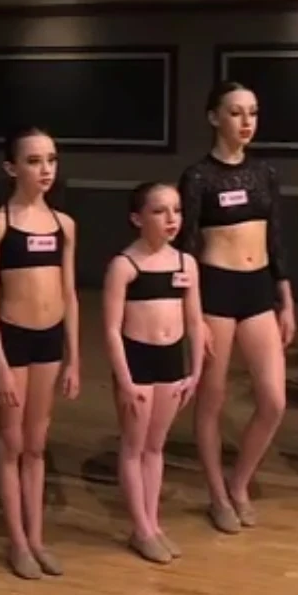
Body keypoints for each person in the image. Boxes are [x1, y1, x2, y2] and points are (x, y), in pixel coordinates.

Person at [178, 80, 295, 534]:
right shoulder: (198, 177)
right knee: (212, 398)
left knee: (274, 399)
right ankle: (216, 493)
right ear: (214, 117)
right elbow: (186, 249)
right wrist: (193, 316)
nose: (246, 122)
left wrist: (285, 297)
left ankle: (239, 482)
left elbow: (277, 236)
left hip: (258, 288)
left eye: (253, 112)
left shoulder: (265, 172)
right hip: (216, 290)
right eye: (235, 112)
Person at [0, 127, 81, 579]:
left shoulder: (64, 225)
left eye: (51, 160)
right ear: (11, 167)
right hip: (14, 338)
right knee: (11, 442)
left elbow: (70, 293)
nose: (45, 169)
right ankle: (17, 541)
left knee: (36, 444)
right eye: (34, 161)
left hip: (49, 340)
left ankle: (37, 537)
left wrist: (74, 356)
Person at [102, 182, 206, 563]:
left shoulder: (186, 263)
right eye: (159, 211)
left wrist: (195, 371)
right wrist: (125, 380)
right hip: (138, 360)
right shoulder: (124, 266)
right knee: (134, 446)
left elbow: (194, 322)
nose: (171, 219)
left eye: (176, 210)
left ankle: (153, 522)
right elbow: (111, 329)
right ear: (137, 218)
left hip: (171, 361)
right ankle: (141, 528)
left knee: (155, 447)